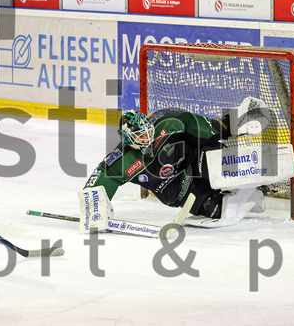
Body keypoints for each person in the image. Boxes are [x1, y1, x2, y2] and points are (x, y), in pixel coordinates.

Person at [78, 98, 273, 234]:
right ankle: (253, 194)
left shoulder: (169, 124)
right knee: (217, 210)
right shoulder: (122, 160)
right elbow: (98, 184)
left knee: (213, 160)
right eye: (140, 136)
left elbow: (201, 126)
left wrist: (229, 126)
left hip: (193, 164)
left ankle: (249, 180)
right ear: (127, 139)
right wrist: (95, 211)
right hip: (179, 191)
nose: (147, 137)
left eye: (147, 131)